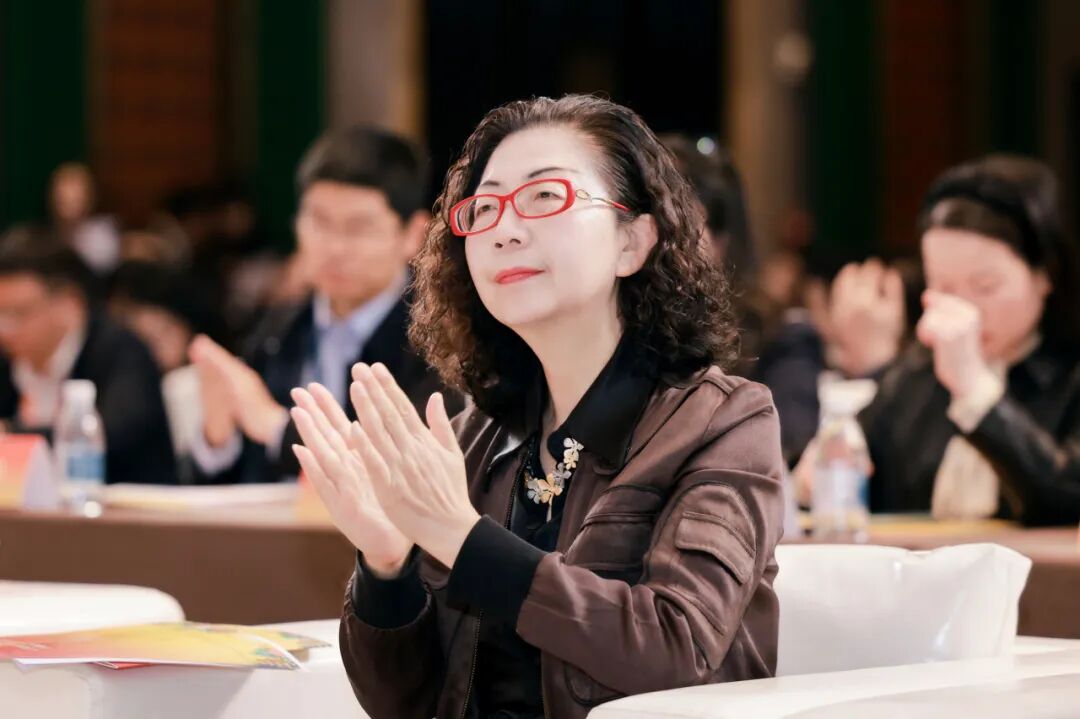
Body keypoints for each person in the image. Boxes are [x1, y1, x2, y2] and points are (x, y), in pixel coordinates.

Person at [290, 95, 785, 718]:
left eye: (546, 196)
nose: (505, 229)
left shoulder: (723, 422)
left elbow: (676, 648)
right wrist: (387, 567)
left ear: (632, 242)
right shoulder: (476, 435)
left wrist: (461, 537)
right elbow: (406, 705)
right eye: (486, 207)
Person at [805, 155, 1080, 525]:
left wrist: (975, 391)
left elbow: (1065, 499)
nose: (963, 310)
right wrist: (814, 474)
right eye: (943, 287)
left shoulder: (1071, 378)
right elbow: (837, 474)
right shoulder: (915, 376)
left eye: (985, 286)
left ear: (1045, 275)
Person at [189, 126, 455, 484]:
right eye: (319, 222)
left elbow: (408, 470)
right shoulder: (279, 327)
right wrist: (218, 437)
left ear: (413, 234)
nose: (335, 247)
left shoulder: (440, 339)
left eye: (358, 228)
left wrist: (277, 428)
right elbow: (233, 478)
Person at [0, 240, 177, 484]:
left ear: (69, 303)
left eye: (19, 313)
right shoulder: (9, 361)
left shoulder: (121, 351)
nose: (5, 329)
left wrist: (11, 436)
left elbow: (115, 436)